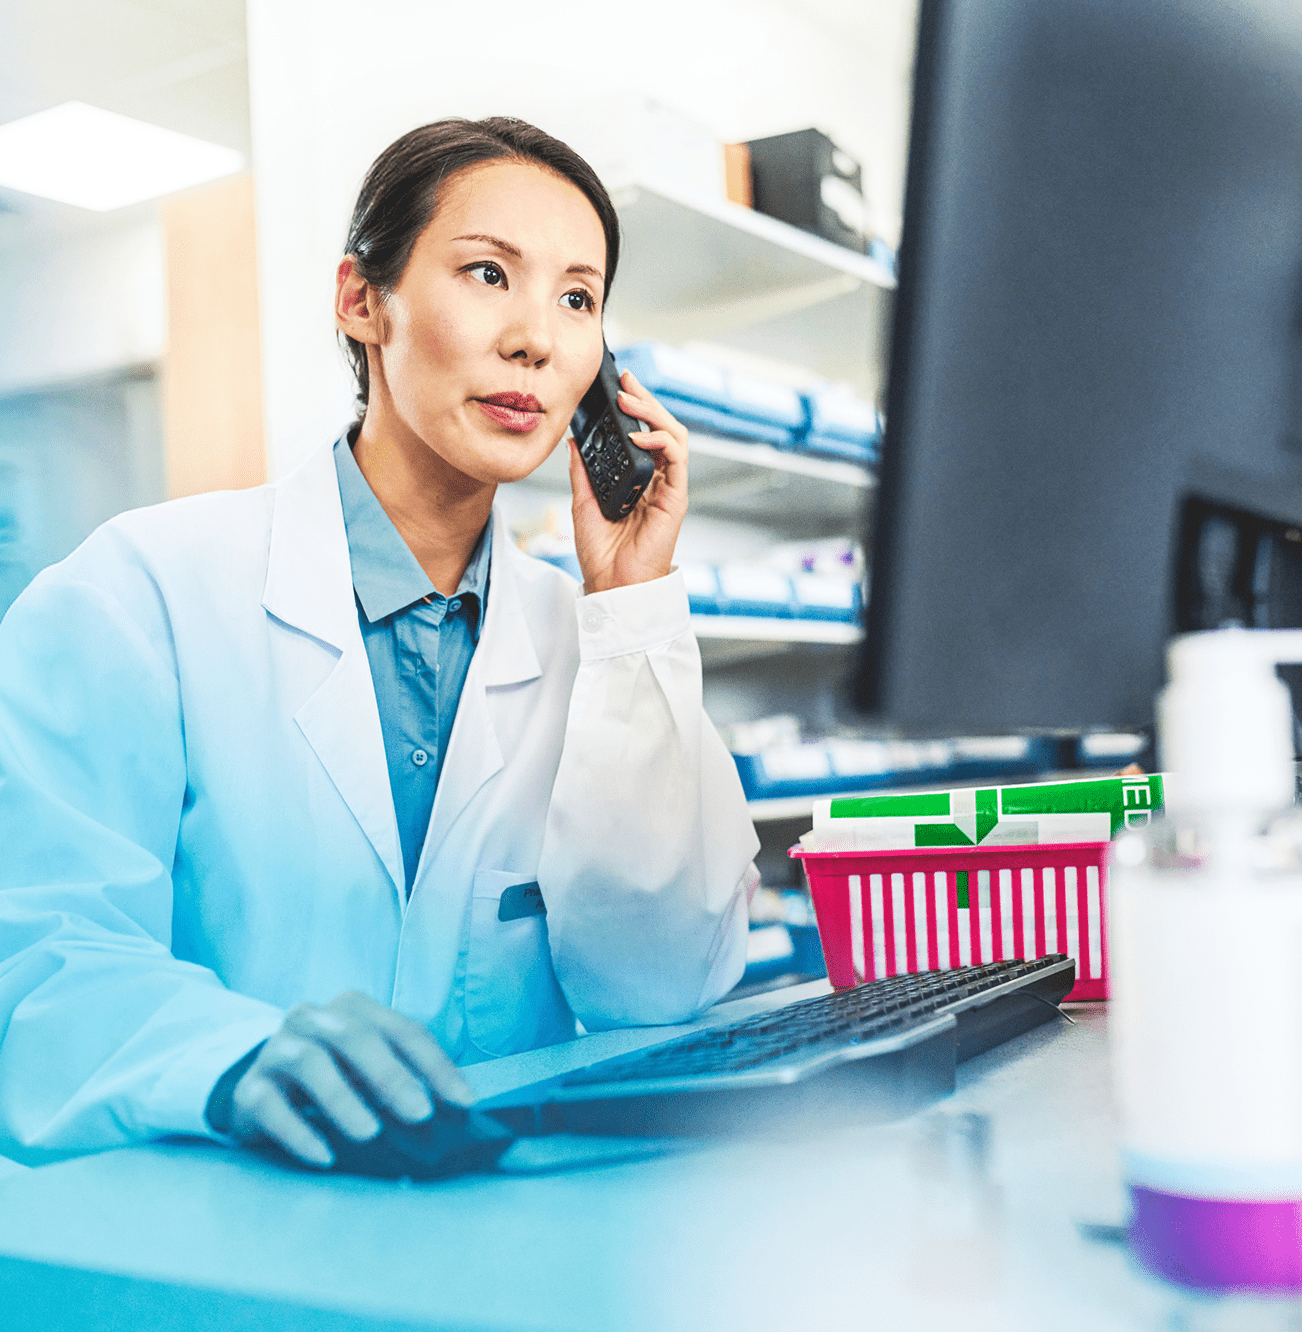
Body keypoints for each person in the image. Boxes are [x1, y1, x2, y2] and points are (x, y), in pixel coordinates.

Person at [0, 117, 759, 1169]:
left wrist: (632, 607)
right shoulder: (139, 593)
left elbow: (659, 986)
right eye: (490, 274)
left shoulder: (594, 637)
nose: (537, 337)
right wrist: (233, 1056)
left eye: (577, 297)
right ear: (363, 301)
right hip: (215, 1225)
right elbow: (39, 956)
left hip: (499, 1237)